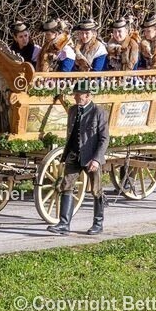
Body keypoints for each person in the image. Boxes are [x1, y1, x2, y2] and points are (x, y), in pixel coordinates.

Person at [47, 81, 109, 236]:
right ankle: (64, 224)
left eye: (78, 95)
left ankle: (98, 224)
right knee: (66, 186)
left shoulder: (98, 112)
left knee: (96, 190)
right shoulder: (73, 110)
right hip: (73, 155)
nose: (75, 97)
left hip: (91, 157)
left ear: (88, 95)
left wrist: (96, 159)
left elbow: (104, 139)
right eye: (75, 94)